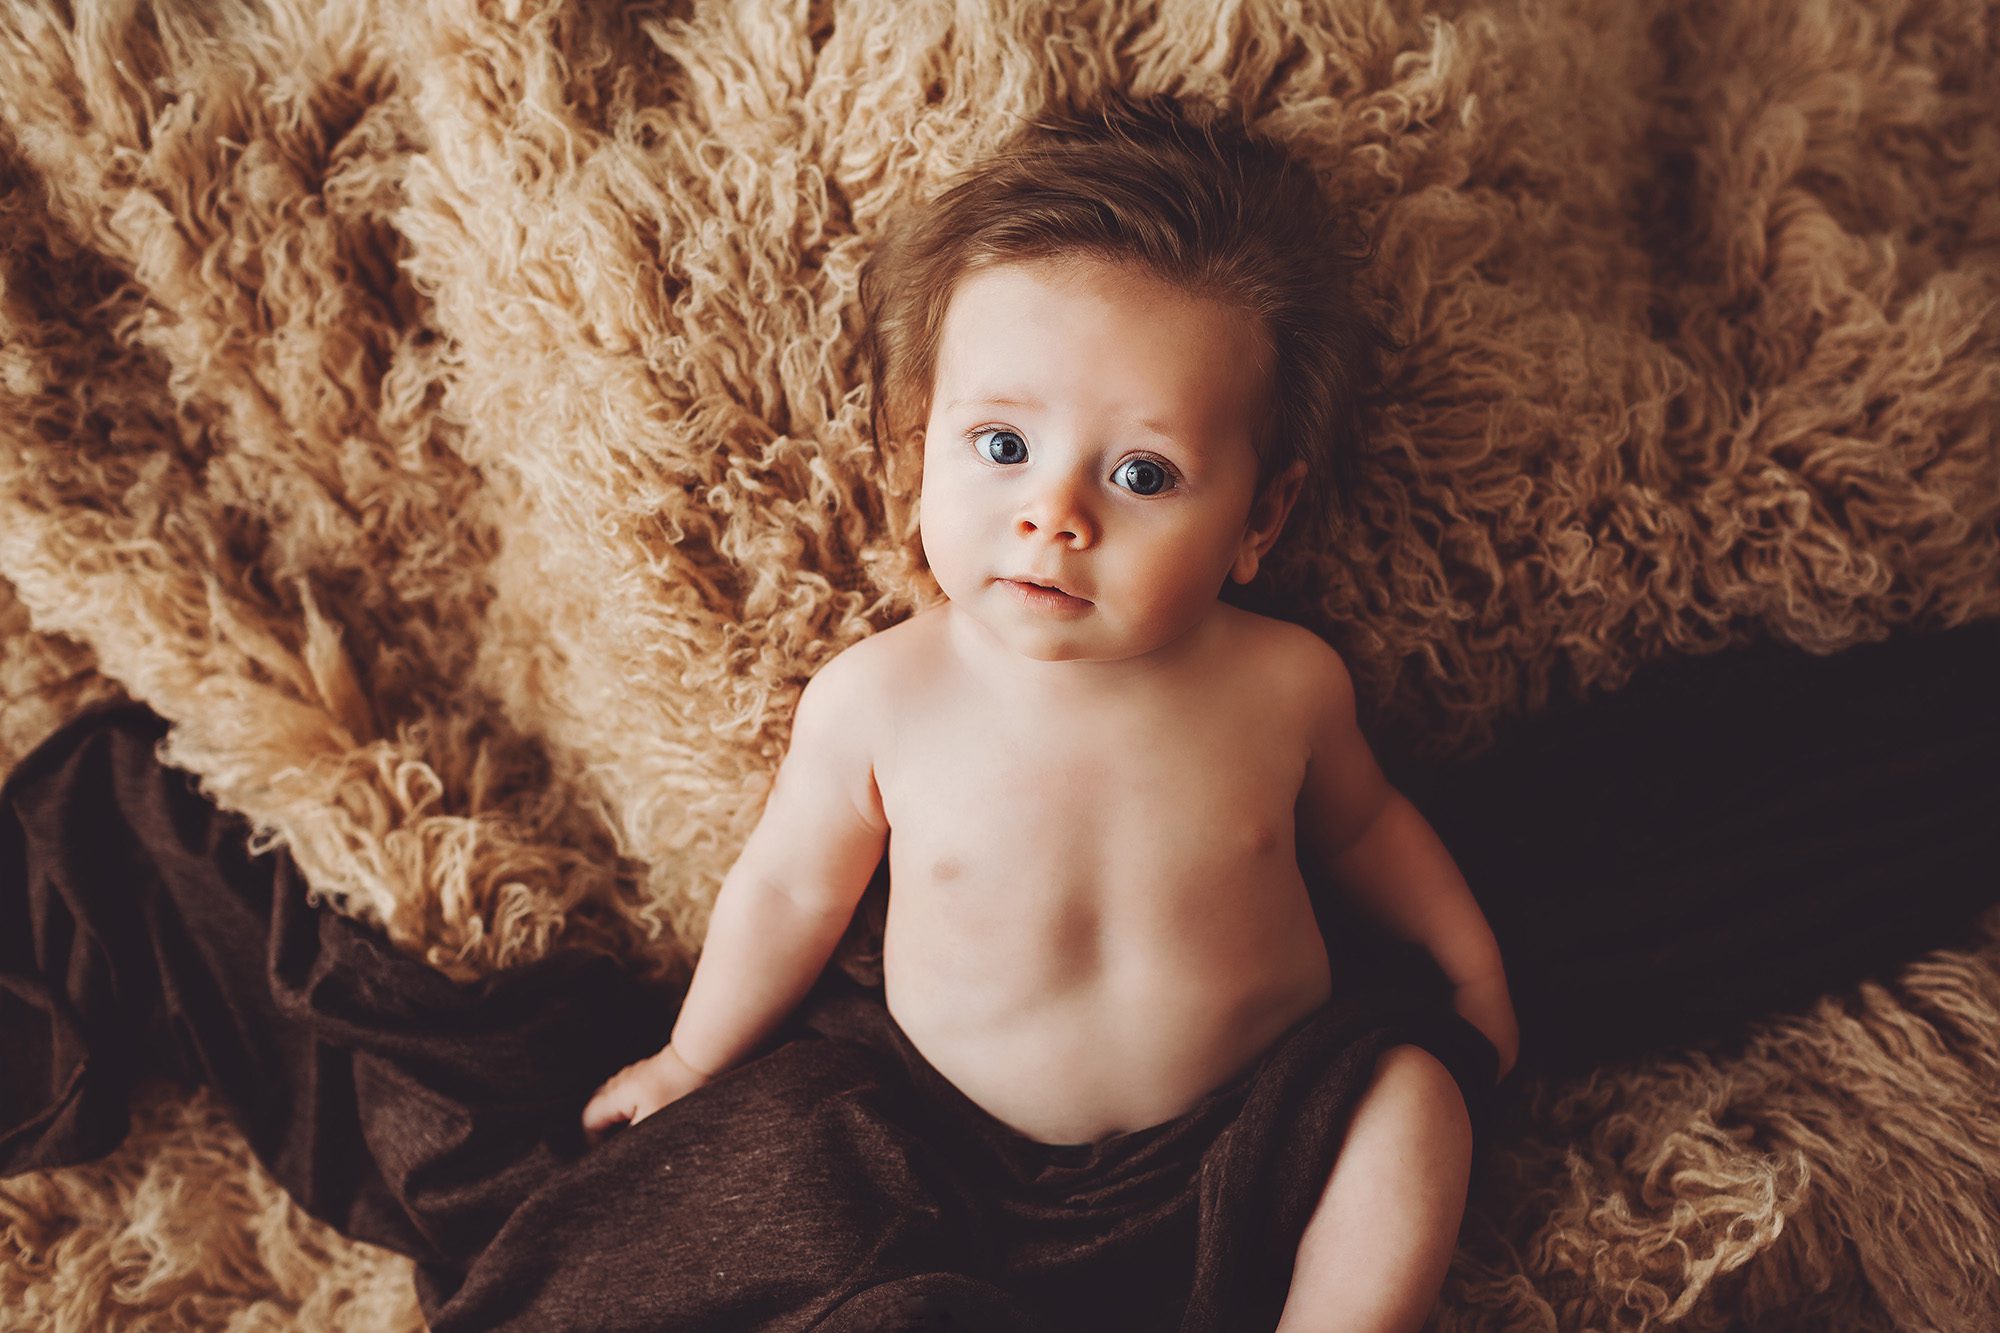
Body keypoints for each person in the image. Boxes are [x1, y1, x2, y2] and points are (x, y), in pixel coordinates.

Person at [583, 89, 1520, 1331]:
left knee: (1411, 1104)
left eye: (1141, 474)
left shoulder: (1282, 684)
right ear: (917, 445)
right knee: (795, 1171)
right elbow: (788, 889)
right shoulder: (881, 698)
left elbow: (1367, 834)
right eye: (1000, 445)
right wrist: (695, 1058)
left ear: (1260, 518)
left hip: (1244, 1124)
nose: (1054, 514)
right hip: (945, 1144)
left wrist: (1471, 974)